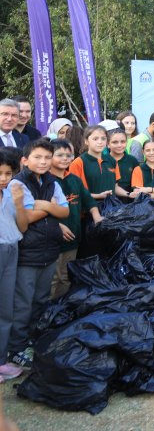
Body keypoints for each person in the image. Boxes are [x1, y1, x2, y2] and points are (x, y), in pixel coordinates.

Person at [7, 139, 73, 369]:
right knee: (23, 303)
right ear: (25, 160)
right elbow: (24, 220)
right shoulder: (18, 183)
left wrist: (42, 205)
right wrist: (50, 207)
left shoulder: (51, 181)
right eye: (38, 157)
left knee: (41, 300)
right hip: (27, 253)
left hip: (49, 250)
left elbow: (64, 211)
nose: (43, 162)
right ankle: (16, 348)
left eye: (47, 157)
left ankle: (33, 340)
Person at [48, 139, 101, 298]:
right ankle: (48, 308)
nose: (65, 158)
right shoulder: (46, 181)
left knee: (65, 277)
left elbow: (88, 200)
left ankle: (61, 307)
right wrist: (57, 225)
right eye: (59, 155)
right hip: (53, 239)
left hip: (73, 237)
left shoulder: (74, 179)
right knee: (52, 278)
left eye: (68, 155)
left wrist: (97, 216)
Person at [0, 147, 26, 380]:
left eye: (8, 173)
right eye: (0, 173)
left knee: (6, 308)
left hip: (11, 249)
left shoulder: (11, 194)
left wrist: (18, 203)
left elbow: (22, 226)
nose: (3, 178)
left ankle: (1, 361)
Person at [108, 128, 139, 201]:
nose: (119, 145)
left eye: (123, 142)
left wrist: (134, 192)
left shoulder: (132, 160)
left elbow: (137, 182)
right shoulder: (103, 161)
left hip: (130, 200)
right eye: (115, 142)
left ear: (127, 142)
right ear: (108, 144)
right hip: (109, 201)